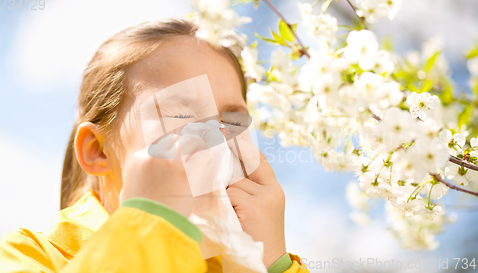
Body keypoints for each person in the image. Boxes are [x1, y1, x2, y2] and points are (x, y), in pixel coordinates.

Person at [0, 19, 310, 273]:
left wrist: (270, 262)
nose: (214, 138)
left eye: (232, 123)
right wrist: (149, 224)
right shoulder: (26, 256)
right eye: (182, 113)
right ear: (97, 151)